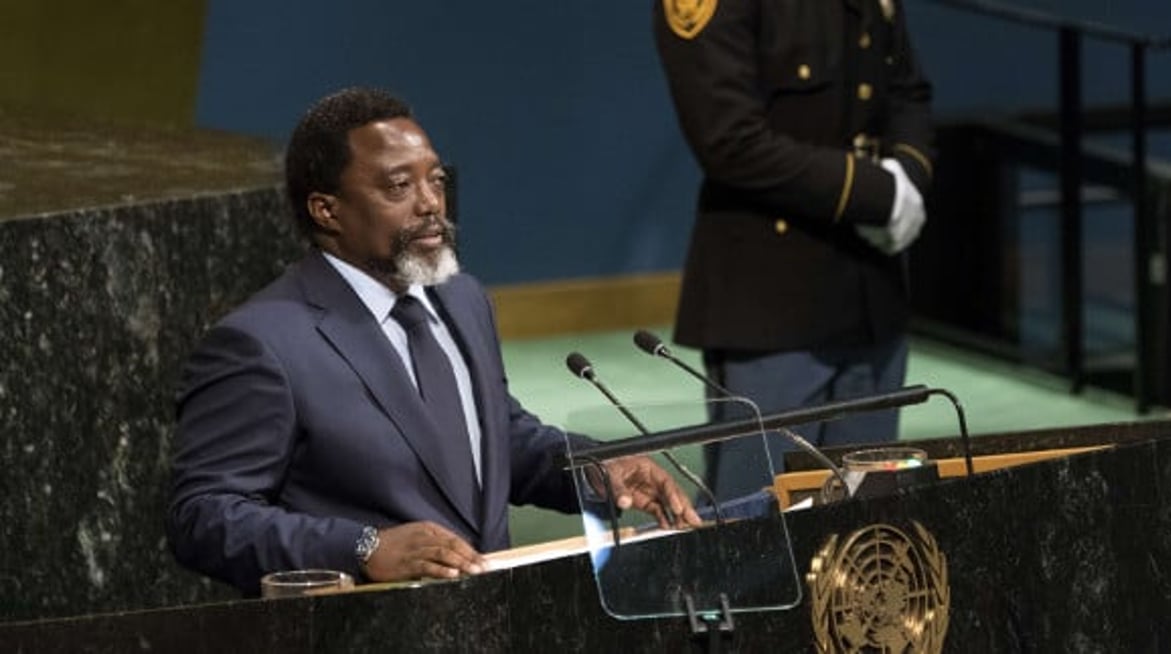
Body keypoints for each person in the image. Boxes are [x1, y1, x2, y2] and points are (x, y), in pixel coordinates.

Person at [166, 87, 700, 595]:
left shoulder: (462, 299)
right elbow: (204, 516)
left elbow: (495, 441)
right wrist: (363, 548)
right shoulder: (262, 342)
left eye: (436, 181)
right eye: (399, 187)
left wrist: (591, 467)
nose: (430, 205)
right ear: (326, 210)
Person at [653, 0, 935, 498]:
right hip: (773, 303)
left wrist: (906, 182)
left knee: (867, 526)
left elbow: (908, 92)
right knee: (755, 530)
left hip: (872, 292)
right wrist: (876, 195)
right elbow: (730, 141)